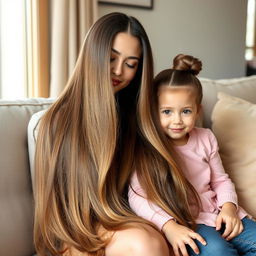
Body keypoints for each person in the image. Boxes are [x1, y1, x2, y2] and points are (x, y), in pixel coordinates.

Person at [28, 12, 172, 256]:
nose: (118, 71)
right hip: (75, 234)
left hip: (121, 223)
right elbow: (55, 214)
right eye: (111, 58)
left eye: (130, 64)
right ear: (93, 55)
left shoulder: (134, 118)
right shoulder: (56, 123)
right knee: (146, 244)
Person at [128, 54, 256, 256]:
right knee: (218, 252)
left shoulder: (206, 138)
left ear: (198, 111)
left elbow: (221, 180)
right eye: (167, 112)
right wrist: (169, 226)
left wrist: (229, 207)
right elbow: (138, 196)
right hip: (187, 221)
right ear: (152, 111)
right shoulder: (146, 146)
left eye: (186, 111)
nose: (177, 120)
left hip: (219, 213)